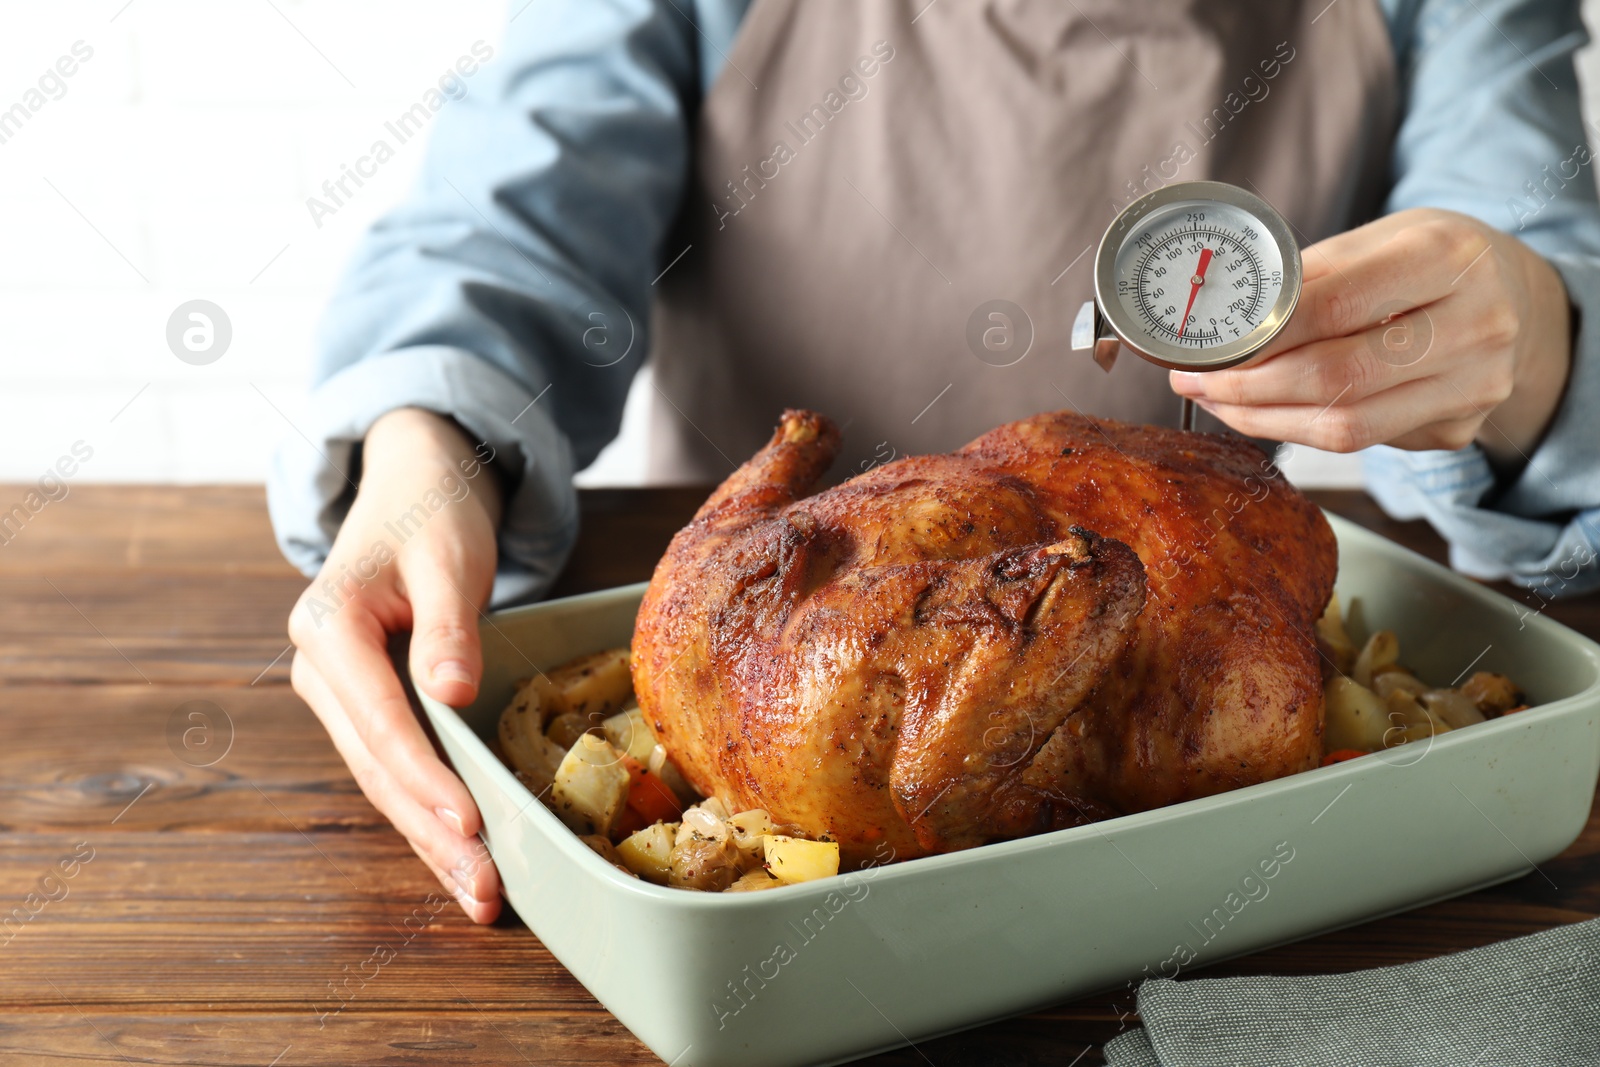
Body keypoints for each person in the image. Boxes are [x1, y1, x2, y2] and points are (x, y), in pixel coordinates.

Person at [267, 0, 1600, 921]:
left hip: (1191, 635)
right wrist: (421, 454)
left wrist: (1540, 345)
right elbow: (506, 237)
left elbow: (1530, 234)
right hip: (760, 646)